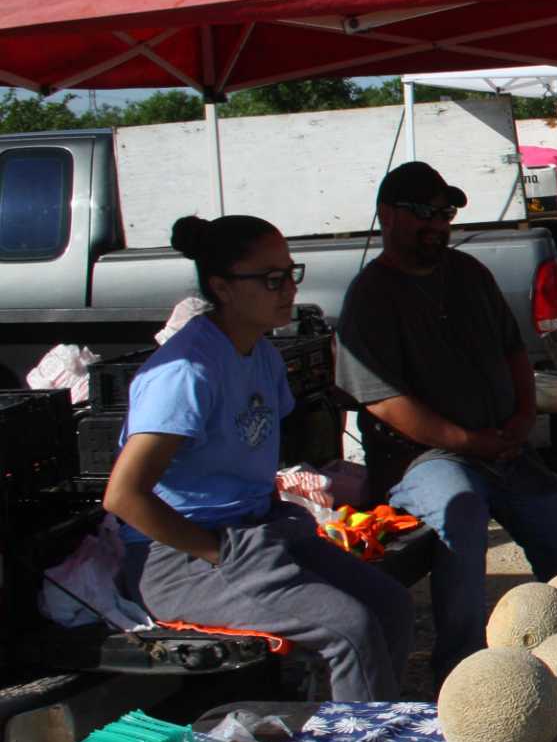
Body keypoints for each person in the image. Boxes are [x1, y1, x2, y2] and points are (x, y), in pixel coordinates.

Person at [104, 215, 414, 701]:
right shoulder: (187, 372)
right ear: (222, 287)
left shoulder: (263, 356)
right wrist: (215, 551)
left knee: (389, 604)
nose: (288, 289)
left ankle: (361, 724)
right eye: (272, 279)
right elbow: (123, 496)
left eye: (292, 273)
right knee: (348, 629)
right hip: (179, 556)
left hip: (256, 528)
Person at [336, 161, 557, 683]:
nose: (437, 222)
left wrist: (522, 419)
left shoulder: (470, 273)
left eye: (445, 212)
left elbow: (514, 354)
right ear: (386, 215)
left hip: (501, 445)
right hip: (423, 457)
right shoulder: (370, 295)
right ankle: (464, 671)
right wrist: (467, 441)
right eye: (422, 212)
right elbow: (384, 402)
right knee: (462, 515)